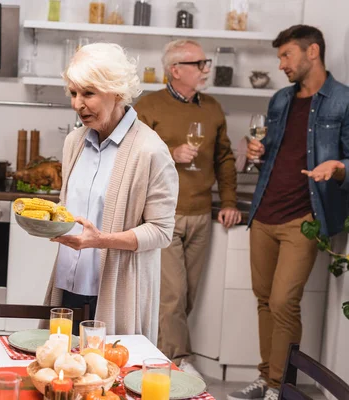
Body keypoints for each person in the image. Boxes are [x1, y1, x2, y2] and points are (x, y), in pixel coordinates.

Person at [228, 25, 349, 400]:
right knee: (264, 299)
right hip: (264, 212)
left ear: (312, 52)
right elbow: (271, 149)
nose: (281, 64)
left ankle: (281, 385)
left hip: (305, 218)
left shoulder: (343, 101)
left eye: (286, 55)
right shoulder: (280, 99)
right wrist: (255, 154)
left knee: (283, 301)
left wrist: (339, 167)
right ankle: (266, 379)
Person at [44, 43, 179, 343]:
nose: (78, 104)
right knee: (60, 374)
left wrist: (102, 241)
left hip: (115, 292)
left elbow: (161, 231)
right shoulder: (74, 142)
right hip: (67, 286)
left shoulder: (150, 150)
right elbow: (69, 208)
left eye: (88, 93)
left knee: (107, 380)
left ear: (117, 91)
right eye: (73, 93)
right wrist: (47, 220)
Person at [134, 39, 241, 378]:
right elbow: (132, 155)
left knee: (187, 295)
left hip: (201, 213)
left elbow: (224, 159)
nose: (206, 69)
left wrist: (228, 201)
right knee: (173, 293)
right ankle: (177, 362)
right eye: (199, 64)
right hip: (163, 215)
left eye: (205, 63)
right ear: (175, 70)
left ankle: (162, 353)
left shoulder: (212, 108)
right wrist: (170, 151)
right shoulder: (148, 106)